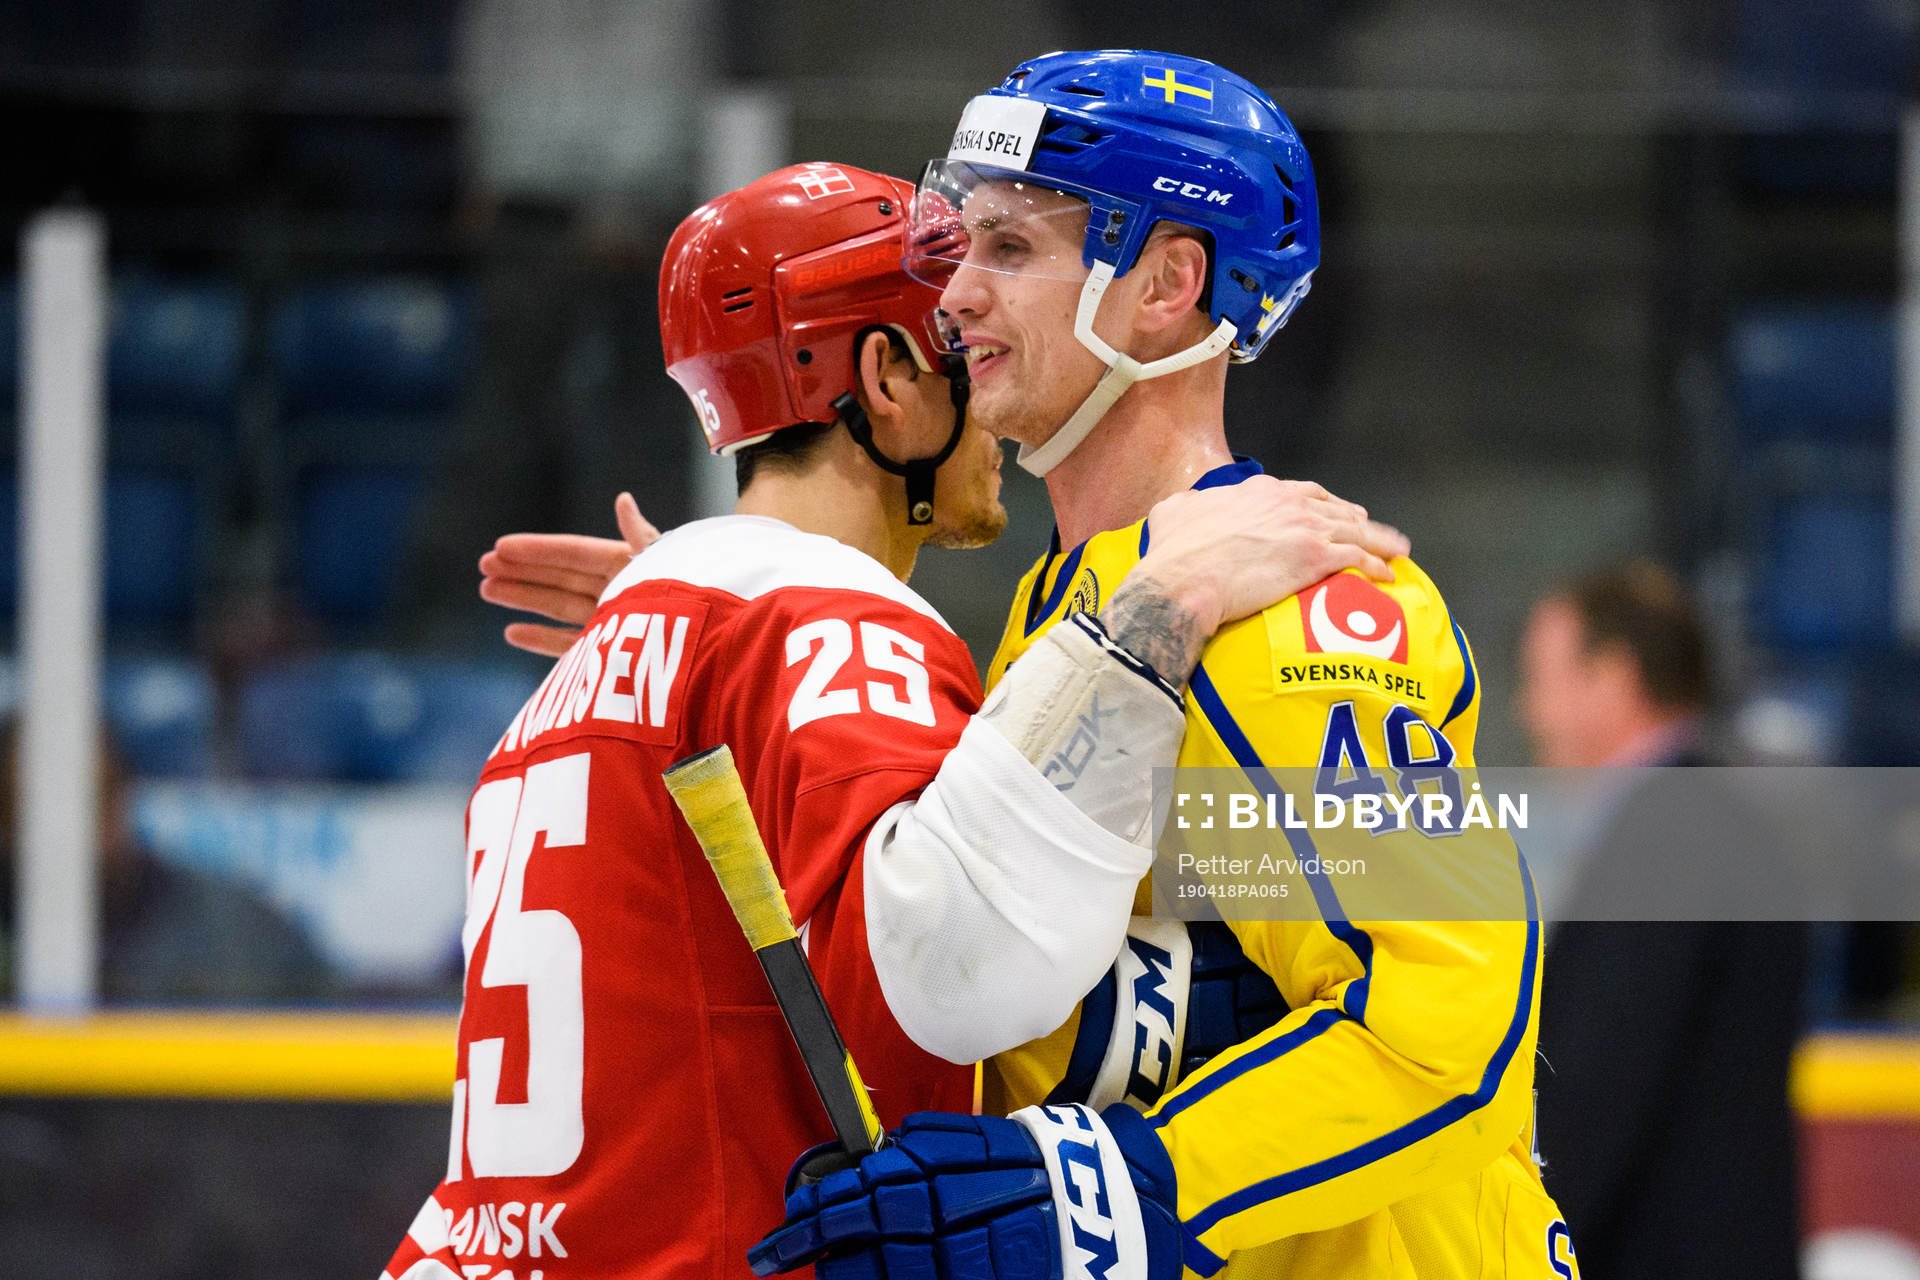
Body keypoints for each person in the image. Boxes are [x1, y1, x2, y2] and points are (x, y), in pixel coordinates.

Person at [496, 52, 1564, 1280]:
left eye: (1008, 248)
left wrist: (1122, 1186)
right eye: (961, 247)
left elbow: (1443, 1028)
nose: (951, 297)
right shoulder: (1060, 610)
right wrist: (725, 631)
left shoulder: (1302, 612)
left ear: (1168, 282)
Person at [1519, 561, 1807, 1280]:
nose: (1529, 714)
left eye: (1541, 681)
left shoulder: (1669, 836)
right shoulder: (1715, 817)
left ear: (1611, 679)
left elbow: (1590, 1092)